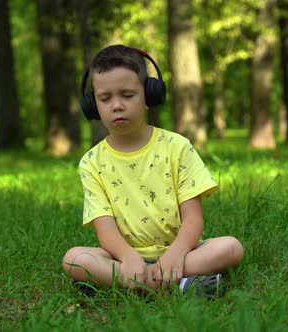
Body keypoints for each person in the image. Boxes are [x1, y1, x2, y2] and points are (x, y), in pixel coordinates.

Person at [62, 44, 243, 297]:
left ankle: (132, 285)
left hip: (181, 253)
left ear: (149, 96)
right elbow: (105, 229)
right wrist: (128, 258)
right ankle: (178, 285)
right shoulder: (91, 162)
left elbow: (193, 219)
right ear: (92, 105)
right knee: (74, 259)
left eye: (127, 95)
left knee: (231, 248)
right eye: (105, 98)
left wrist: (176, 253)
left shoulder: (177, 147)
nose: (116, 105)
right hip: (123, 259)